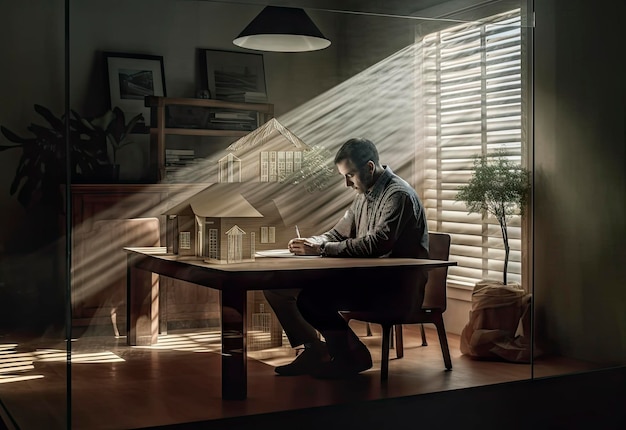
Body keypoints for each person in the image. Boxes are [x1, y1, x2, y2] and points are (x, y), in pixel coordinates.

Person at [264, 137, 429, 379]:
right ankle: (314, 350)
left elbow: (377, 244)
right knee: (277, 288)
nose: (346, 183)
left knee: (313, 299)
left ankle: (352, 356)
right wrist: (312, 243)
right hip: (368, 281)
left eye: (350, 175)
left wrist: (321, 250)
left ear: (369, 167)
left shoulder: (398, 195)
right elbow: (337, 233)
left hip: (394, 288)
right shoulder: (365, 194)